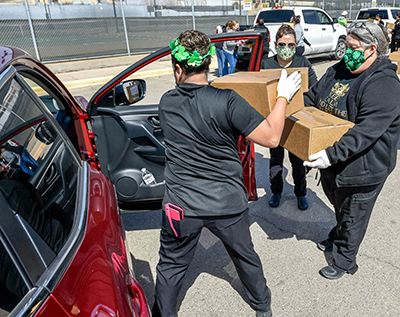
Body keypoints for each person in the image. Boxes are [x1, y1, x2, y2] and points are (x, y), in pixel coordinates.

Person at [153, 30, 301, 317]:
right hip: (227, 206)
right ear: (209, 63)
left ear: (177, 69)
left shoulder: (166, 103)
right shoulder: (227, 101)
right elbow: (271, 138)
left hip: (181, 207)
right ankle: (262, 306)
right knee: (244, 256)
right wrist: (282, 96)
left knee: (171, 265)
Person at [303, 22, 400, 280]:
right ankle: (338, 235)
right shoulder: (338, 70)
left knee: (353, 213)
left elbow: (365, 131)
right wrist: (290, 102)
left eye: (353, 48)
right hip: (333, 161)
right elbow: (312, 99)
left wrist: (330, 154)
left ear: (372, 49)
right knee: (340, 206)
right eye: (346, 46)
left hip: (364, 167)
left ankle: (345, 261)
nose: (347, 53)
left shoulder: (384, 83)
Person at [261, 24, 318, 211]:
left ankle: (301, 194)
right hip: (274, 121)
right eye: (282, 44)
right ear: (275, 44)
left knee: (297, 162)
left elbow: (314, 90)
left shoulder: (303, 63)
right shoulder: (266, 64)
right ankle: (276, 192)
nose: (286, 48)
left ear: (296, 45)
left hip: (296, 121)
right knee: (276, 161)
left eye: (291, 45)